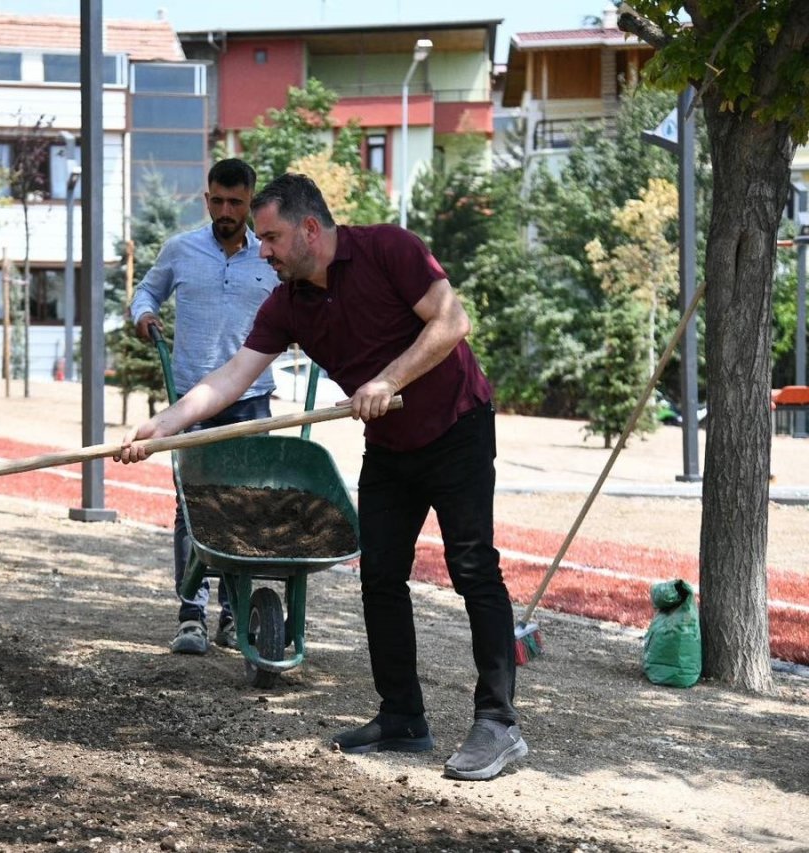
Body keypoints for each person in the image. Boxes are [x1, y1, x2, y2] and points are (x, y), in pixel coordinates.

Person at [116, 172, 527, 782]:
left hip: (457, 426)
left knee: (473, 569)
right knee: (381, 576)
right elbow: (231, 377)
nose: (264, 251)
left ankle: (498, 724)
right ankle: (403, 717)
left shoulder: (391, 248)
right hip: (390, 446)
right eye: (261, 239)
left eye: (273, 237)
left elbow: (451, 323)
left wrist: (387, 380)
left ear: (310, 228)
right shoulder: (288, 303)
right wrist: (165, 425)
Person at [129, 158, 280, 656]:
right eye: (217, 200)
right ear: (207, 198)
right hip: (192, 397)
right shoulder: (182, 249)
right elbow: (147, 289)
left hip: (251, 399)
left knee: (243, 506)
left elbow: (308, 303)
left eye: (235, 202)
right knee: (190, 506)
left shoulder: (270, 257)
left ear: (251, 203)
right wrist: (144, 313)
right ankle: (191, 614)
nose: (225, 210)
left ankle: (234, 618)